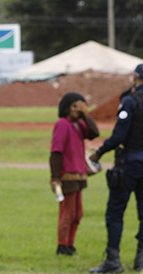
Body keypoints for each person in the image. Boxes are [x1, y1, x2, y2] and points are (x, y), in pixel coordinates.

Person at [88, 63, 143, 274]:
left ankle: (113, 261)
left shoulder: (130, 101)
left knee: (115, 212)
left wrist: (99, 153)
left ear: (134, 78)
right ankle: (141, 260)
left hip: (129, 164)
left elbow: (119, 136)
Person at [50, 92, 99, 256]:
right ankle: (62, 245)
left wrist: (86, 115)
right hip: (67, 175)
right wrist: (55, 178)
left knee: (78, 213)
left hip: (80, 175)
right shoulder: (62, 124)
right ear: (66, 107)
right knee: (67, 213)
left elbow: (94, 133)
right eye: (75, 106)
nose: (78, 110)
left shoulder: (79, 125)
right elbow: (56, 151)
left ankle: (70, 244)